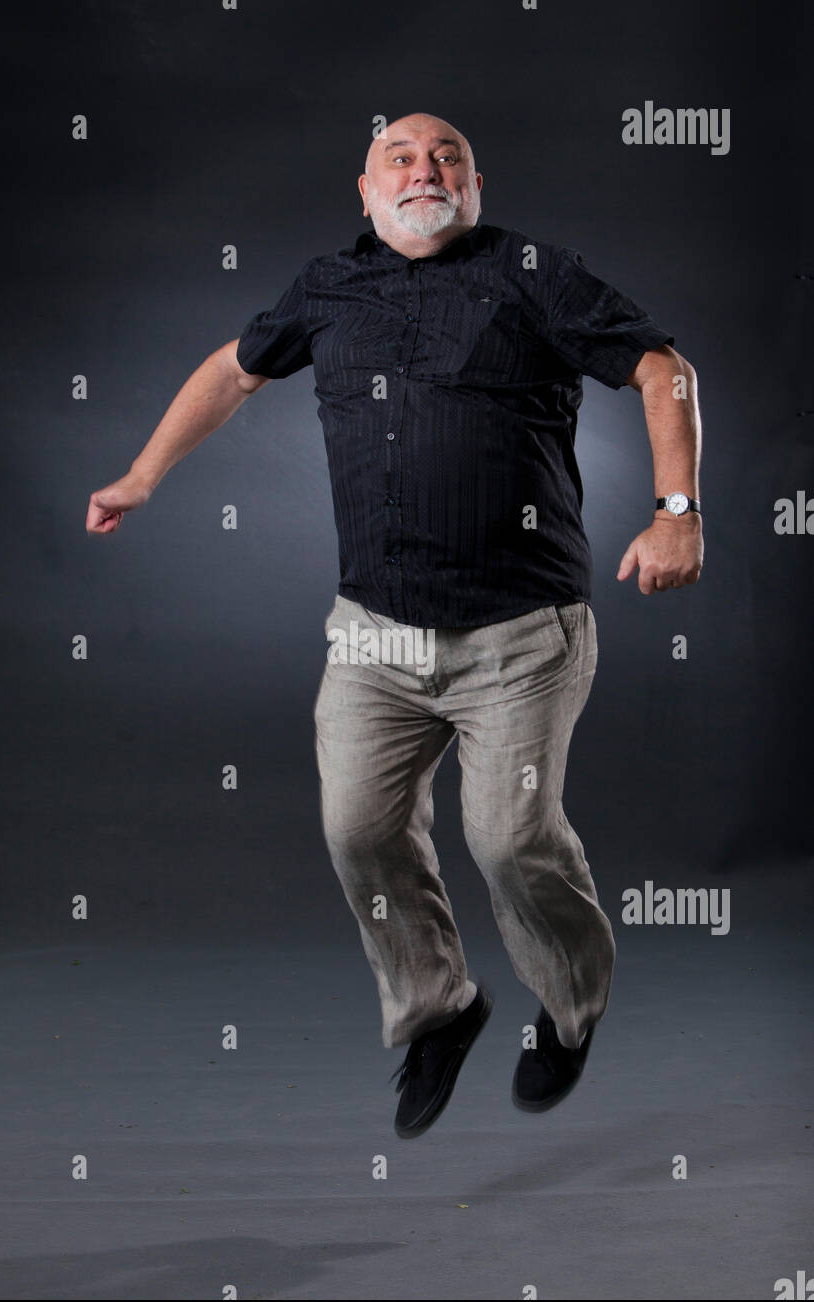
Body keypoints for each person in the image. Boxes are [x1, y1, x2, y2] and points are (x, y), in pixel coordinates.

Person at [86, 112, 703, 1140]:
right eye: (400, 159)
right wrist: (145, 474)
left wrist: (675, 512)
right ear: (365, 191)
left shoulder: (533, 274)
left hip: (520, 633)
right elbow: (233, 368)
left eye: (447, 156)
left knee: (508, 842)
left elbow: (661, 367)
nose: (425, 170)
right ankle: (440, 1009)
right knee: (356, 831)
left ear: (473, 181)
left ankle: (570, 1005)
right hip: (375, 636)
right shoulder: (327, 287)